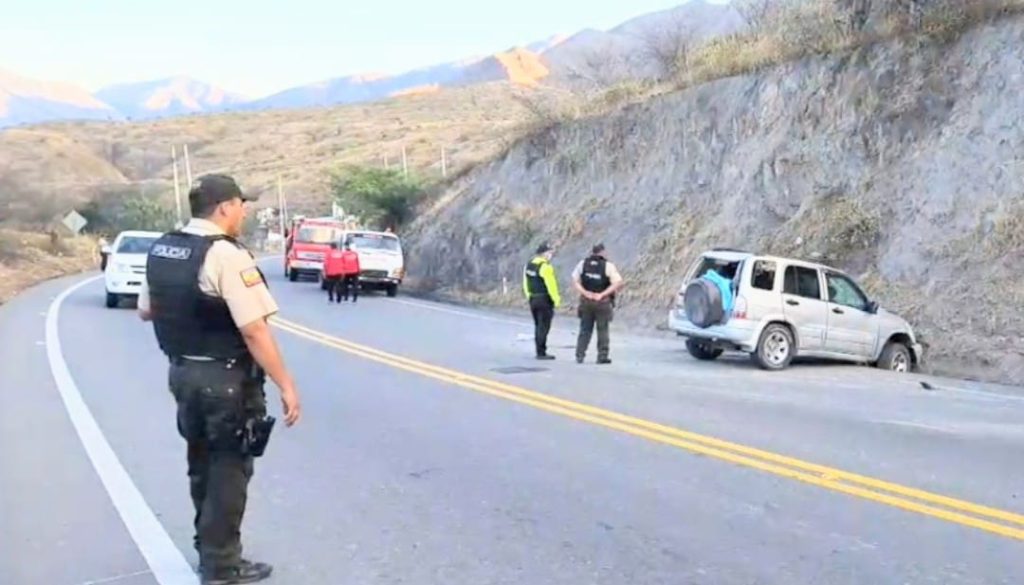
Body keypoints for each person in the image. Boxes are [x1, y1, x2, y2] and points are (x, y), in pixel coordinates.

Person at [137, 173, 302, 585]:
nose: (244, 211)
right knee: (230, 469)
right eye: (241, 204)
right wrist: (286, 384)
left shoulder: (164, 248)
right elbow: (254, 330)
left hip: (182, 373)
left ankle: (208, 549)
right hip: (226, 379)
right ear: (225, 207)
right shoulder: (226, 255)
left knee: (201, 463)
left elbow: (145, 310)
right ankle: (222, 566)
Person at [572, 243, 625, 365]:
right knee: (603, 330)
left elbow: (575, 281)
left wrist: (585, 292)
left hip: (586, 302)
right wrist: (602, 294)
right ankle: (602, 356)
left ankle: (580, 355)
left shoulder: (583, 263)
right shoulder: (608, 266)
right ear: (603, 252)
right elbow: (618, 283)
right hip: (602, 302)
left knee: (585, 329)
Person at [522, 242, 561, 360]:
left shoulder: (528, 265)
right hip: (544, 299)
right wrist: (556, 299)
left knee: (538, 325)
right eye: (549, 253)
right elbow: (551, 285)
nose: (551, 255)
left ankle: (539, 349)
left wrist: (529, 295)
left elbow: (525, 282)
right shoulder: (545, 267)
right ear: (543, 254)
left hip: (533, 298)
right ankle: (541, 352)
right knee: (544, 326)